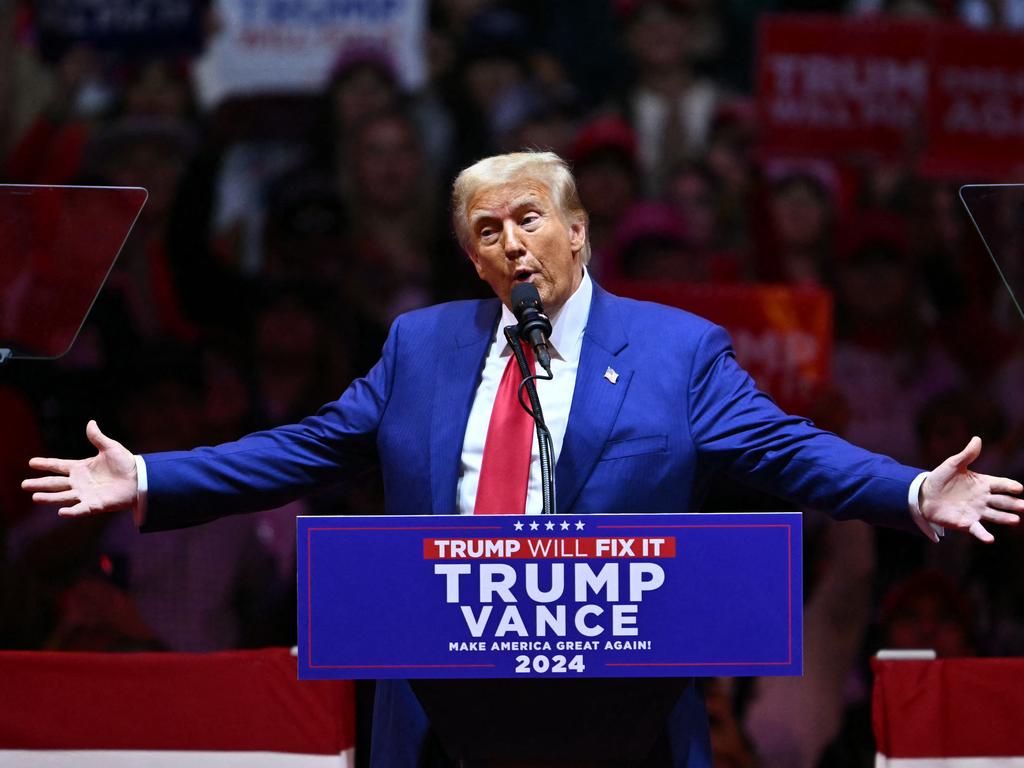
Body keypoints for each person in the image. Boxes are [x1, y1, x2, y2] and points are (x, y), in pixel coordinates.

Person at [23, 151, 1024, 768]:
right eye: (485, 231)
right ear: (471, 259)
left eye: (528, 218)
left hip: (620, 704)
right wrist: (152, 475)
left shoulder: (678, 353)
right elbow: (307, 445)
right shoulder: (420, 347)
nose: (508, 243)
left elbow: (782, 447)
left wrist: (911, 490)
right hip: (444, 706)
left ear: (579, 233)